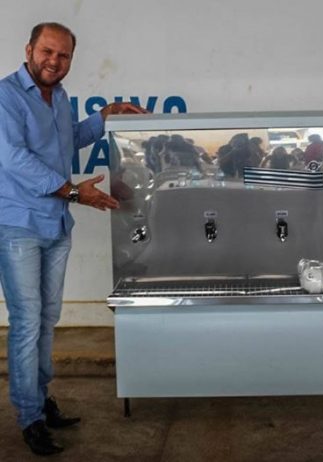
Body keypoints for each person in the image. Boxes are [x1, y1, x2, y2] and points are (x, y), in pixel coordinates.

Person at [0, 22, 146, 456]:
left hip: (57, 226)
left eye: (63, 55)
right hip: (19, 226)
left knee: (47, 320)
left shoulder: (60, 97)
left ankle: (41, 400)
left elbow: (70, 140)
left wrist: (106, 115)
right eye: (47, 51)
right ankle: (29, 418)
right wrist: (73, 192)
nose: (54, 61)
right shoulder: (6, 96)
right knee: (27, 323)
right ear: (29, 49)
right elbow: (13, 158)